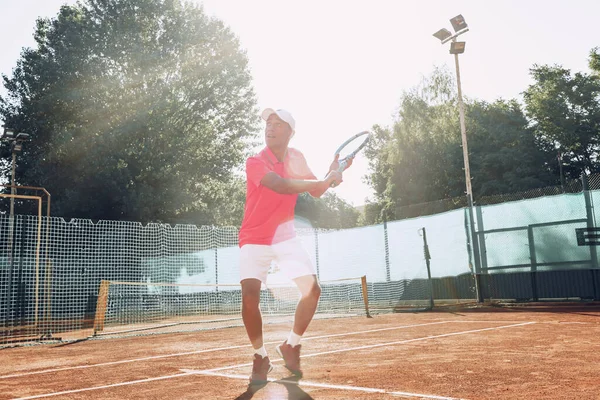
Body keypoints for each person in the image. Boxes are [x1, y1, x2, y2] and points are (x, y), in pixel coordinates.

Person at [238, 108, 351, 385]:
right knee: (250, 296)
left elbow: (318, 189)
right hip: (253, 237)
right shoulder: (255, 160)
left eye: (278, 124)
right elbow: (280, 185)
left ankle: (291, 345)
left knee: (312, 291)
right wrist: (323, 180)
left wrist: (333, 173)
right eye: (268, 123)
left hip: (285, 237)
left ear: (291, 132)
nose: (270, 127)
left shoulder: (297, 157)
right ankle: (260, 356)